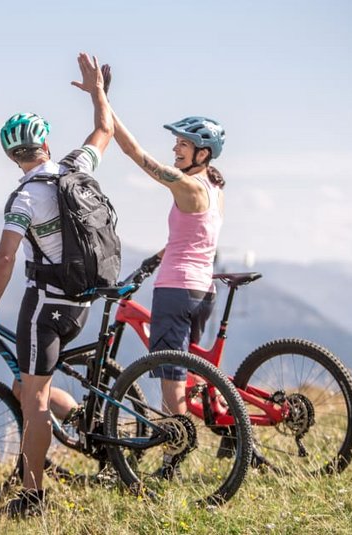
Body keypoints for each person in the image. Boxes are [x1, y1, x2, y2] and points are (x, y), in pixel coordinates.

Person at [0, 52, 113, 517]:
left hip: (45, 305)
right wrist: (98, 94)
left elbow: (5, 255)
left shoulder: (25, 196)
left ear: (12, 155)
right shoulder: (76, 170)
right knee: (24, 384)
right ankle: (93, 431)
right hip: (81, 302)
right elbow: (104, 131)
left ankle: (33, 497)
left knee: (35, 401)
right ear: (45, 145)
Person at [98, 75, 226, 476]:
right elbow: (194, 238)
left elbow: (135, 153)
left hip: (176, 290)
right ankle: (211, 428)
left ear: (202, 153)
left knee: (171, 376)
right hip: (202, 289)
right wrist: (152, 261)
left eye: (183, 144)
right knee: (185, 370)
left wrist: (101, 100)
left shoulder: (188, 186)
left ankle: (173, 458)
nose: (175, 149)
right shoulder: (214, 187)